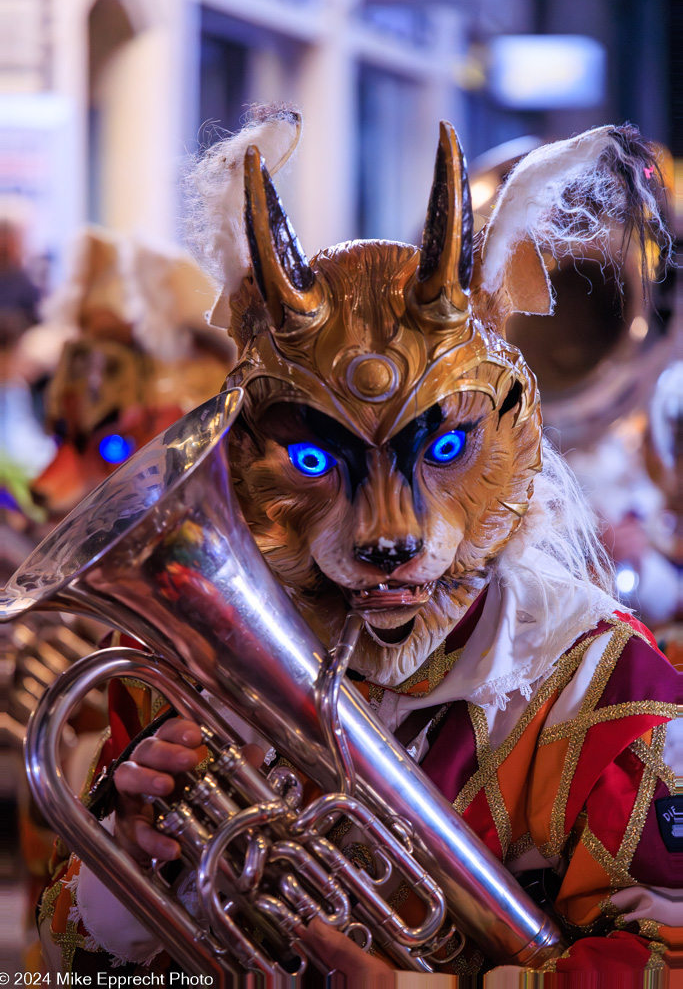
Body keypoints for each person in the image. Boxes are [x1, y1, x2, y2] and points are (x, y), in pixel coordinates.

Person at [38, 109, 680, 979]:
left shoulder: (606, 684)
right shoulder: (176, 668)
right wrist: (133, 870)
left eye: (443, 447)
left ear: (513, 428)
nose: (386, 533)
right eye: (314, 457)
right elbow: (62, 964)